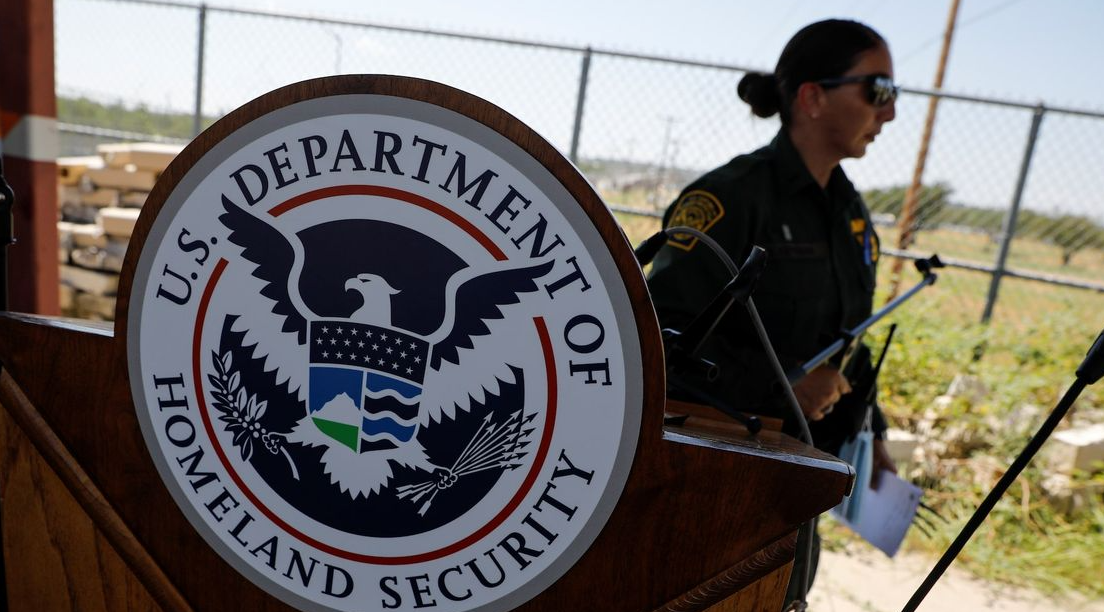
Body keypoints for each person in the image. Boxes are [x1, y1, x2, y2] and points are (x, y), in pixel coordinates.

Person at [645, 18, 899, 605]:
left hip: (800, 479)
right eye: (878, 91)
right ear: (812, 97)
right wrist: (783, 382)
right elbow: (660, 336)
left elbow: (844, 339)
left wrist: (872, 429)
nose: (888, 112)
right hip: (721, 479)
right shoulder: (732, 198)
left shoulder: (848, 209)